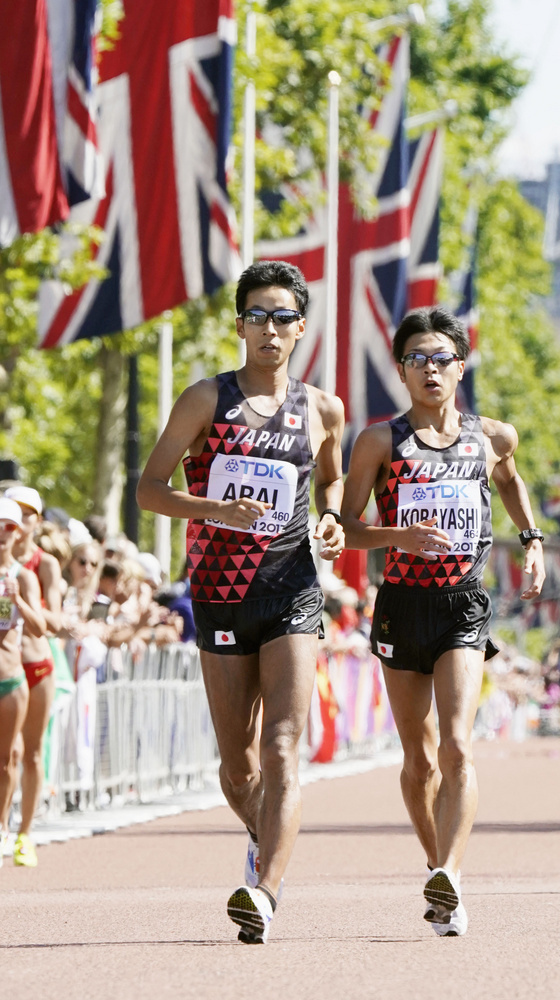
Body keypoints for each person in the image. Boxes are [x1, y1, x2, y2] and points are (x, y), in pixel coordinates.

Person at [137, 260, 345, 944]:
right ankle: (264, 834)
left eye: (283, 317)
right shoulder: (206, 400)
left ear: (300, 329)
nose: (270, 328)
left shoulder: (321, 409)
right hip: (220, 595)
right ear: (239, 326)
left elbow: (335, 484)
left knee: (284, 745)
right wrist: (213, 510)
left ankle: (266, 889)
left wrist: (334, 517)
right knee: (239, 768)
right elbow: (149, 490)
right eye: (257, 315)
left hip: (291, 589)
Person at [340, 306, 545, 937]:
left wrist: (531, 538)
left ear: (460, 367)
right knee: (418, 759)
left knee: (457, 744)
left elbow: (510, 480)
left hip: (463, 602)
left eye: (442, 359)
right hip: (402, 603)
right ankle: (436, 866)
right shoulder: (379, 441)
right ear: (401, 370)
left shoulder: (491, 436)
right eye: (417, 360)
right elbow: (347, 528)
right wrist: (396, 533)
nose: (430, 370)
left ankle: (451, 874)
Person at [4, 486, 63, 866]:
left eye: (28, 515)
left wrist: (21, 602)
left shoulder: (44, 565)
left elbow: (54, 622)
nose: (20, 523)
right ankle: (2, 830)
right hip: (4, 664)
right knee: (6, 753)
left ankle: (25, 833)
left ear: (36, 521)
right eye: (14, 514)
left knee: (31, 752)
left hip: (35, 665)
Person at [0, 499, 46, 867]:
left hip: (19, 673)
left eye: (10, 526)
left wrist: (16, 598)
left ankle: (13, 830)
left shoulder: (28, 573)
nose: (4, 533)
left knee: (16, 756)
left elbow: (41, 627)